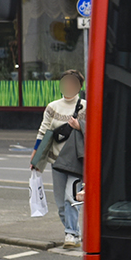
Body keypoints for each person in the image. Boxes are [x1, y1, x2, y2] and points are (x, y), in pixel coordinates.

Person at [31, 69, 85, 247]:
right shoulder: (52, 107)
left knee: (71, 198)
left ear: (79, 86)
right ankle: (74, 232)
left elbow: (97, 128)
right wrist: (36, 154)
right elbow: (44, 131)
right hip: (56, 161)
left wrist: (80, 126)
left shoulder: (85, 106)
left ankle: (70, 234)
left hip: (76, 161)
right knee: (61, 204)